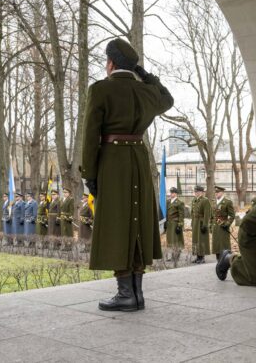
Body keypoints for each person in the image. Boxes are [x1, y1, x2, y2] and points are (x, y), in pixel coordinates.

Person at [81, 37, 173, 312]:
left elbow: (90, 136)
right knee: (137, 222)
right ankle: (137, 294)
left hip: (112, 161)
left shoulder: (100, 90)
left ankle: (125, 294)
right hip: (138, 158)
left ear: (110, 64)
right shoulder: (146, 92)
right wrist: (145, 75)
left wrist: (90, 173)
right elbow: (167, 99)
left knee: (118, 223)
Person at [211, 186, 235, 260]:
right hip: (215, 226)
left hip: (223, 226)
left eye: (218, 192)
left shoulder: (227, 202)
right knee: (216, 244)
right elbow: (212, 215)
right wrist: (210, 224)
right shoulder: (214, 202)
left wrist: (227, 224)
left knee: (224, 244)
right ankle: (218, 261)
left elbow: (232, 216)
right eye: (215, 192)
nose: (216, 194)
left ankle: (225, 260)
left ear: (222, 192)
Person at [190, 185, 211, 264]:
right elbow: (192, 212)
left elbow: (207, 214)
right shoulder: (194, 200)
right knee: (195, 239)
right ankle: (197, 256)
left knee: (201, 239)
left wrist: (205, 225)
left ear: (202, 192)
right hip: (195, 221)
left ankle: (202, 257)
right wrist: (192, 222)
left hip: (201, 222)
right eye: (195, 192)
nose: (196, 193)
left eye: (198, 192)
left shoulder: (205, 200)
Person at [165, 187, 184, 255]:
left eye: (172, 193)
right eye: (171, 192)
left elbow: (181, 215)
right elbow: (166, 213)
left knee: (175, 238)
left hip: (175, 223)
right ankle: (171, 253)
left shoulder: (179, 203)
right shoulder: (168, 201)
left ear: (176, 194)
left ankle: (177, 252)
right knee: (170, 239)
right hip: (169, 223)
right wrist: (165, 222)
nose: (171, 194)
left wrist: (180, 225)